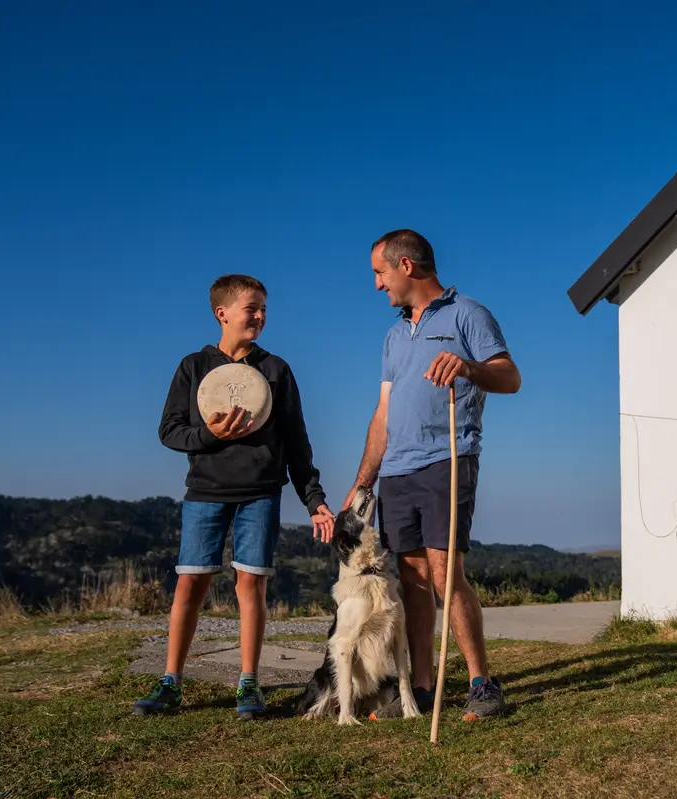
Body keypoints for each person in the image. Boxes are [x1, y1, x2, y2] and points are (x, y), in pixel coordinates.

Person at [133, 273, 336, 720]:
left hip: (261, 494)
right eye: (252, 308)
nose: (261, 316)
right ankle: (171, 681)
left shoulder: (276, 370)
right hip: (204, 493)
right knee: (191, 583)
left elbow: (297, 442)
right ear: (222, 313)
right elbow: (169, 431)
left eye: (264, 309)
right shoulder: (193, 367)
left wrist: (314, 499)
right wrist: (209, 435)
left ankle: (248, 683)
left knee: (251, 585)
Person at [345, 229, 521, 722]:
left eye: (379, 273)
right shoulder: (394, 334)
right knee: (414, 580)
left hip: (448, 456)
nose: (377, 285)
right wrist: (363, 481)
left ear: (405, 266)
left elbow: (510, 376)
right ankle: (420, 688)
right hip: (395, 471)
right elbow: (383, 414)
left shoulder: (468, 313)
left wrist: (466, 367)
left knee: (446, 574)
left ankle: (482, 684)